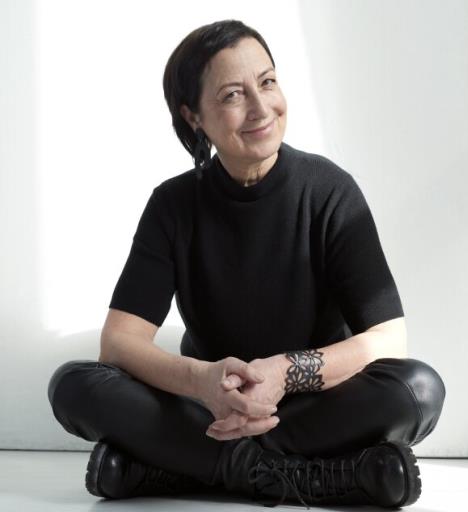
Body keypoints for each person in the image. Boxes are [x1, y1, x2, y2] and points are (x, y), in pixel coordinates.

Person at [47, 19, 446, 509]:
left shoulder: (330, 191)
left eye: (267, 82)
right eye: (233, 95)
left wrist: (285, 373)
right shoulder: (173, 205)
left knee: (418, 389)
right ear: (194, 116)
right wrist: (201, 381)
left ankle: (178, 468)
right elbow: (119, 342)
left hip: (317, 407)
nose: (261, 108)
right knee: (72, 385)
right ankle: (313, 478)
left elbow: (387, 339)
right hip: (209, 407)